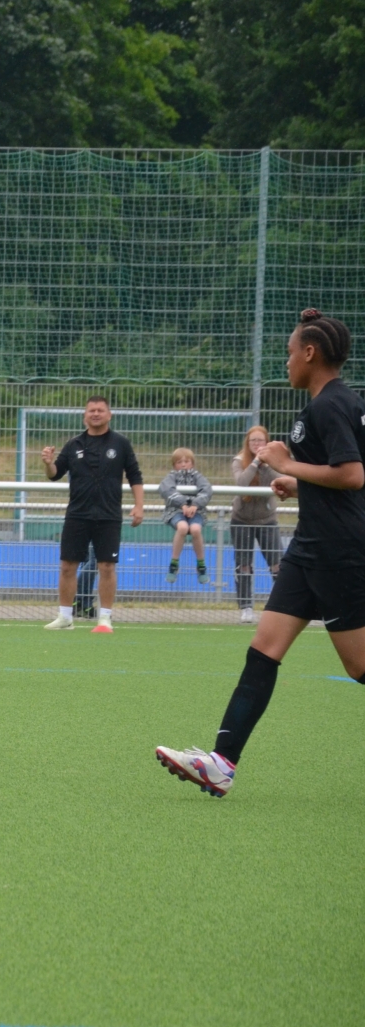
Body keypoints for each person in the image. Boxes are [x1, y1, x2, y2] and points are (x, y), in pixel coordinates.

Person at [158, 309, 365, 797]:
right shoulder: (340, 403)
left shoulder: (329, 406)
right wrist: (299, 483)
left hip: (337, 552)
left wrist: (286, 463)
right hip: (309, 549)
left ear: (310, 353)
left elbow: (353, 475)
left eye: (290, 352)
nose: (286, 360)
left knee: (359, 668)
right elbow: (345, 476)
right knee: (263, 650)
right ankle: (220, 763)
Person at [41, 396, 146, 633]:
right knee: (68, 566)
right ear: (85, 416)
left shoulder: (120, 443)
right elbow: (55, 474)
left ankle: (105, 618)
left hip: (109, 515)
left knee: (106, 566)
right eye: (91, 410)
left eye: (100, 410)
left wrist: (139, 505)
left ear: (109, 415)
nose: (95, 414)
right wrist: (48, 463)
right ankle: (65, 617)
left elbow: (135, 475)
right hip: (77, 514)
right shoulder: (74, 444)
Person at [230, 426, 284, 625]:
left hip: (267, 520)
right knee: (244, 565)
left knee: (277, 564)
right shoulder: (238, 461)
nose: (257, 444)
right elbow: (241, 483)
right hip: (241, 520)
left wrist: (266, 463)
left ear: (266, 442)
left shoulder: (273, 462)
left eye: (260, 440)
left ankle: (281, 608)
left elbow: (279, 480)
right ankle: (246, 608)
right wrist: (254, 463)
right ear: (248, 443)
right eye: (253, 440)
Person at [159, 448, 214, 583]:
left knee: (195, 529)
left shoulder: (198, 476)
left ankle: (201, 565)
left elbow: (206, 490)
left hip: (196, 511)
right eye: (179, 462)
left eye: (186, 461)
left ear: (192, 463)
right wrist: (182, 504)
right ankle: (174, 564)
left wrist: (195, 505)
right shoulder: (171, 476)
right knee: (182, 528)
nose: (183, 465)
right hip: (176, 511)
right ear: (174, 465)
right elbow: (166, 489)